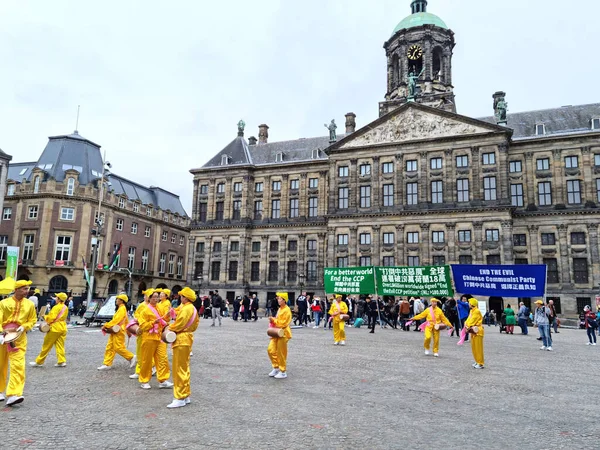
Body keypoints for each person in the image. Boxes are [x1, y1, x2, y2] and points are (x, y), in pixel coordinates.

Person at [0, 280, 37, 406]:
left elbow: (33, 319)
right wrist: (0, 333)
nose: (27, 291)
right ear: (16, 289)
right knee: (0, 364)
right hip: (3, 336)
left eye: (27, 288)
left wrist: (25, 326)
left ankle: (14, 394)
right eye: (24, 288)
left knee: (18, 365)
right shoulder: (3, 303)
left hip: (19, 338)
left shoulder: (30, 304)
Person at [166, 287, 199, 408]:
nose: (180, 298)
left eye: (181, 296)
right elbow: (194, 324)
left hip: (181, 339)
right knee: (184, 368)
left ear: (185, 297)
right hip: (187, 338)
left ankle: (179, 397)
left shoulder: (186, 309)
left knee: (178, 368)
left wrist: (170, 328)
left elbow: (179, 323)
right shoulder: (192, 308)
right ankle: (185, 394)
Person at [136, 291, 173, 389]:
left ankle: (163, 379)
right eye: (154, 297)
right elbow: (143, 325)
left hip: (159, 337)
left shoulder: (159, 308)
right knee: (147, 360)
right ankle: (144, 380)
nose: (156, 299)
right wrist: (153, 322)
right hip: (148, 337)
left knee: (162, 359)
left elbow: (163, 319)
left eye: (157, 297)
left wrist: (168, 314)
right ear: (149, 298)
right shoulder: (145, 310)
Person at [30, 292, 69, 368]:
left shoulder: (56, 307)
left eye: (57, 297)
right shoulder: (65, 307)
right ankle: (61, 361)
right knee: (60, 345)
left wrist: (44, 316)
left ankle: (39, 361)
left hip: (54, 328)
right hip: (63, 327)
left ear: (59, 299)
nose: (55, 298)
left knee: (46, 345)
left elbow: (51, 318)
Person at [97, 294, 136, 370]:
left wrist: (106, 325)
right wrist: (128, 331)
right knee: (110, 347)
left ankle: (131, 357)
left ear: (122, 301)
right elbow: (126, 321)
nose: (116, 300)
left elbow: (116, 320)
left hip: (119, 331)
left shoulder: (122, 309)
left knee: (118, 347)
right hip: (116, 331)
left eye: (118, 299)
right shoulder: (121, 309)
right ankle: (107, 363)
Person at [267, 292, 292, 379]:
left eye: (280, 299)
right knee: (271, 349)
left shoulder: (287, 310)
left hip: (283, 333)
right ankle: (276, 367)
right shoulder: (280, 309)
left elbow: (283, 323)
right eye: (278, 299)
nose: (278, 300)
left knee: (281, 352)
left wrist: (273, 320)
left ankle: (283, 371)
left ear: (284, 300)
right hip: (277, 332)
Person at [464, 298, 485, 369]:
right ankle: (477, 360)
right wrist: (466, 324)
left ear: (471, 304)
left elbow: (472, 321)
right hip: (473, 331)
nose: (468, 304)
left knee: (478, 348)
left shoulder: (476, 311)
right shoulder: (471, 311)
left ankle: (480, 363)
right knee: (474, 348)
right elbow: (468, 320)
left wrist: (467, 325)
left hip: (478, 331)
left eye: (469, 303)